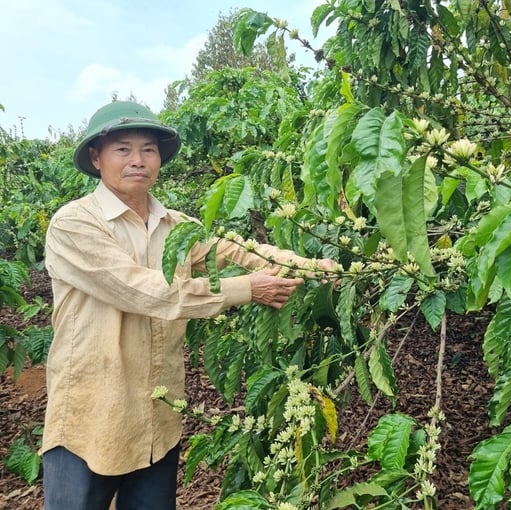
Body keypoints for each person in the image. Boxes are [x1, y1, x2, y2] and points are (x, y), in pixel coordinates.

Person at [41, 101, 336, 510]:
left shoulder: (175, 225)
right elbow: (143, 291)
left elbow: (235, 252)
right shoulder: (75, 223)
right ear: (96, 157)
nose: (138, 160)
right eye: (123, 149)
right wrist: (245, 290)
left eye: (148, 149)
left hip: (157, 417)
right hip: (92, 416)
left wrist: (308, 266)